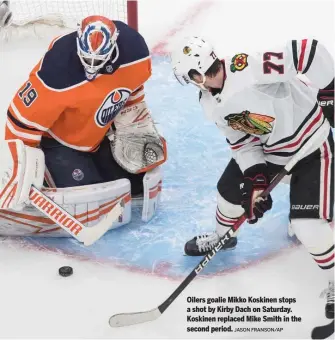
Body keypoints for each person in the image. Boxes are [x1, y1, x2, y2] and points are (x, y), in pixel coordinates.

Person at [170, 36, 334, 318]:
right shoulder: (210, 104)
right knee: (229, 194)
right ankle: (224, 237)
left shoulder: (248, 68)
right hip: (273, 153)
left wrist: (329, 89)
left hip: (312, 149)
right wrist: (256, 180)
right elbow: (243, 143)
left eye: (190, 76)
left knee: (307, 227)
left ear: (196, 74)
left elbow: (307, 51)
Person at [0, 15, 167, 236]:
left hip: (97, 137)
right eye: (87, 59)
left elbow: (133, 88)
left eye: (99, 62)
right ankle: (49, 175)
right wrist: (22, 161)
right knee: (94, 200)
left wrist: (131, 120)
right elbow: (20, 119)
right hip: (57, 143)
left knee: (134, 183)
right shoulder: (57, 68)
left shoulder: (134, 50)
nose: (92, 69)